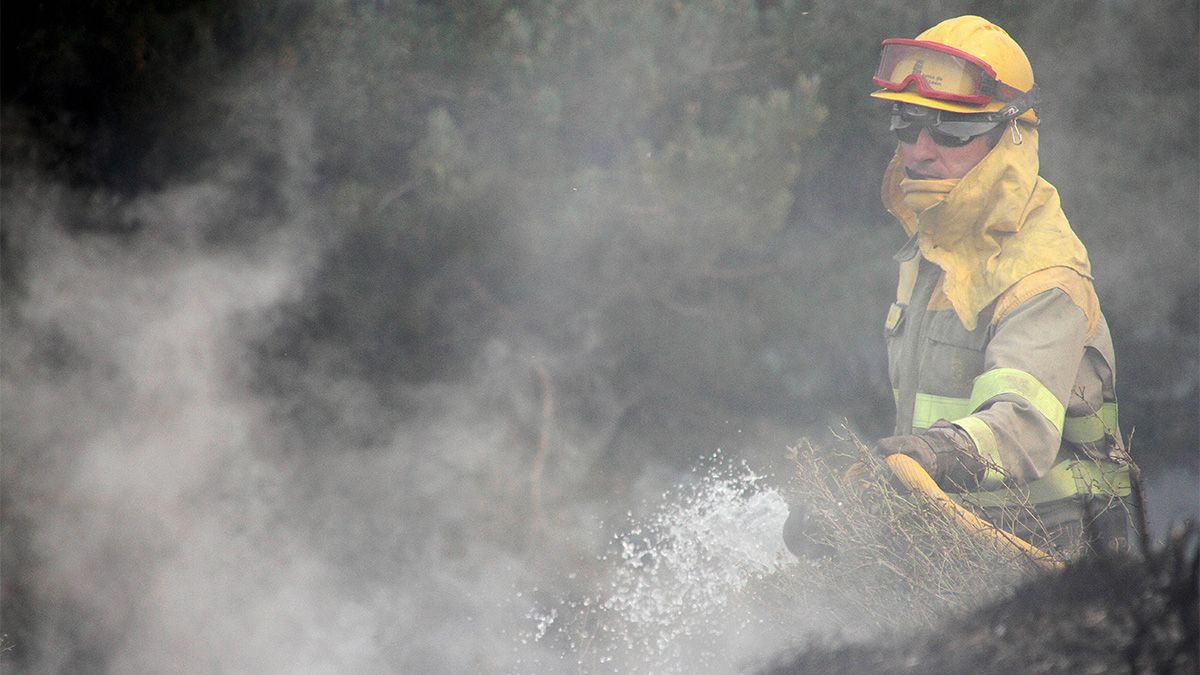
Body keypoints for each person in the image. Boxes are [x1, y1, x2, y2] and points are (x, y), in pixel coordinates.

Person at [789, 15, 1136, 557]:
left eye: (950, 130)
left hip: (1060, 560)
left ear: (1011, 136)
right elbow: (925, 420)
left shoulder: (1044, 273)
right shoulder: (934, 249)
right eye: (907, 123)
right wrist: (852, 502)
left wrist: (924, 458)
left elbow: (1020, 428)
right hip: (959, 544)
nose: (920, 149)